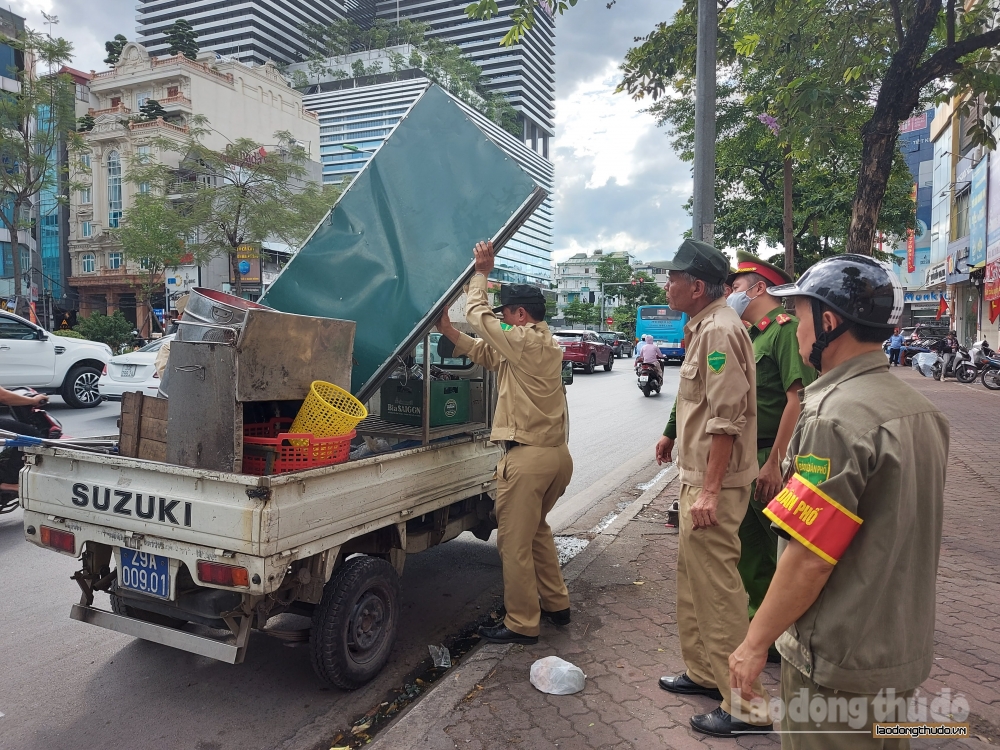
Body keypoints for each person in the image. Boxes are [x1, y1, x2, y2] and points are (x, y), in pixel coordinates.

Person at [728, 254, 949, 749]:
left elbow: (809, 558)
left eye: (802, 316)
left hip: (837, 659)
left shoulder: (833, 417)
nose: (796, 330)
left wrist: (754, 643)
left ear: (828, 323)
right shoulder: (921, 409)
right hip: (897, 646)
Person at [654, 238, 772, 737]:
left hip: (713, 487)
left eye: (674, 277)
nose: (668, 284)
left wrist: (709, 490)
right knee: (693, 581)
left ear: (697, 286)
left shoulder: (719, 331)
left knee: (720, 591)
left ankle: (747, 707)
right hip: (700, 478)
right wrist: (672, 435)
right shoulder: (705, 325)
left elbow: (727, 419)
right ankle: (705, 674)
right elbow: (701, 408)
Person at [437, 240, 572, 645]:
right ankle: (557, 604)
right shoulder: (542, 345)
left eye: (507, 315)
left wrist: (481, 272)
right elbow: (486, 352)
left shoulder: (525, 338)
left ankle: (522, 623)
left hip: (528, 460)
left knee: (512, 545)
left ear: (520, 314)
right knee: (536, 533)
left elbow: (479, 318)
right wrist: (446, 330)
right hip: (556, 458)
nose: (504, 321)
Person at [726, 251, 816, 634]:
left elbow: (797, 398)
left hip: (770, 454)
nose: (731, 293)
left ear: (759, 288)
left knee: (780, 548)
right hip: (748, 453)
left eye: (736, 287)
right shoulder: (748, 335)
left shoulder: (783, 329)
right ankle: (760, 622)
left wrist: (775, 463)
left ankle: (788, 628)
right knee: (751, 548)